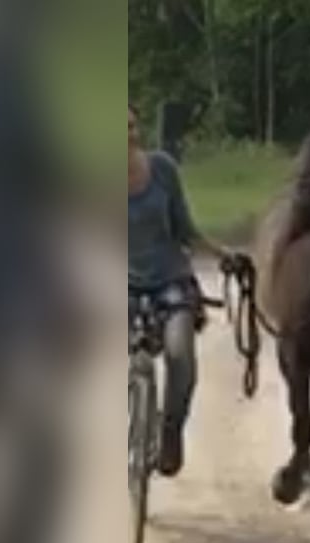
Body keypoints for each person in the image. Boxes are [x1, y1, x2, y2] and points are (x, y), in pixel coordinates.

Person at [128, 103, 234, 476]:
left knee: (180, 354)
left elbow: (185, 229)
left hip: (169, 279)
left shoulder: (162, 169)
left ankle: (171, 431)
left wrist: (223, 254)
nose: (125, 135)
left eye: (130, 125)